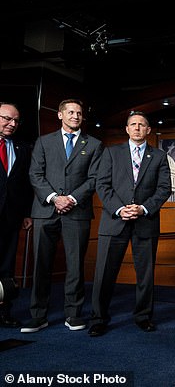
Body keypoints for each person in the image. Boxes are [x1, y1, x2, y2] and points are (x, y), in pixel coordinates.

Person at [88, 111, 171, 336]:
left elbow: (164, 188)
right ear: (127, 129)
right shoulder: (111, 153)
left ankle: (143, 316)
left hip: (145, 222)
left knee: (145, 274)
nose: (137, 128)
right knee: (104, 272)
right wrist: (119, 208)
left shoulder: (159, 156)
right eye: (133, 124)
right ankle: (98, 318)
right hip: (115, 220)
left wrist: (143, 208)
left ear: (148, 130)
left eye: (141, 125)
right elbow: (102, 185)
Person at [23, 99, 103, 333]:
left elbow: (94, 178)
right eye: (70, 112)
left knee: (76, 265)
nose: (76, 116)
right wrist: (53, 198)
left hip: (76, 212)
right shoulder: (44, 142)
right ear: (60, 115)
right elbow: (35, 174)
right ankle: (38, 315)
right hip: (45, 211)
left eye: (79, 113)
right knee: (41, 264)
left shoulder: (95, 144)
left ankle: (73, 314)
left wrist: (71, 199)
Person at [0, 102, 33, 328]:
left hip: (11, 218)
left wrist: (27, 213)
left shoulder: (22, 148)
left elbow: (25, 185)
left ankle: (4, 312)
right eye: (6, 119)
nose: (12, 124)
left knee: (6, 268)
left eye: (15, 121)